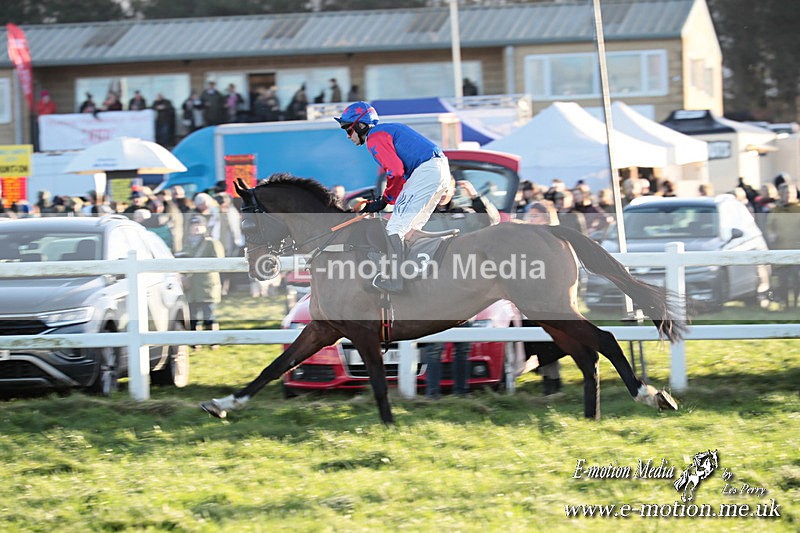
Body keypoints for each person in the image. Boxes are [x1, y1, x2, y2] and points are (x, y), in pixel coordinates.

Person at [334, 101, 450, 293]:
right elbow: (400, 175)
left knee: (395, 227)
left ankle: (395, 280)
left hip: (427, 171)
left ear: (361, 125)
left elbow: (395, 171)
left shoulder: (374, 137)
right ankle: (414, 274)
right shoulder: (386, 131)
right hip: (438, 170)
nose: (348, 136)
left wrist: (384, 200)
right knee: (411, 228)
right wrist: (385, 200)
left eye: (348, 129)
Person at [420, 177, 500, 398]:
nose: (444, 192)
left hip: (464, 288)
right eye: (439, 187)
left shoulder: (467, 214)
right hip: (434, 289)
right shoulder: (423, 216)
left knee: (462, 345)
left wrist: (475, 197)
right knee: (433, 345)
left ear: (454, 189)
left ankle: (461, 393)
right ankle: (432, 395)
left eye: (447, 188)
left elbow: (492, 221)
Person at [183, 215, 225, 345]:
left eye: (199, 225)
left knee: (209, 315)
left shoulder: (212, 243)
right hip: (191, 286)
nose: (196, 228)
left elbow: (219, 261)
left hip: (207, 284)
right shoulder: (186, 244)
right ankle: (196, 342)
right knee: (193, 315)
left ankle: (213, 341)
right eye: (193, 225)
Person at [766, 183, 800, 308]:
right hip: (781, 251)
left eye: (791, 193)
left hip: (797, 251)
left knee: (797, 280)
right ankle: (785, 304)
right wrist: (771, 235)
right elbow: (770, 227)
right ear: (781, 195)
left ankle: (796, 304)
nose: (789, 195)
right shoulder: (776, 210)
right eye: (786, 193)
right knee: (783, 281)